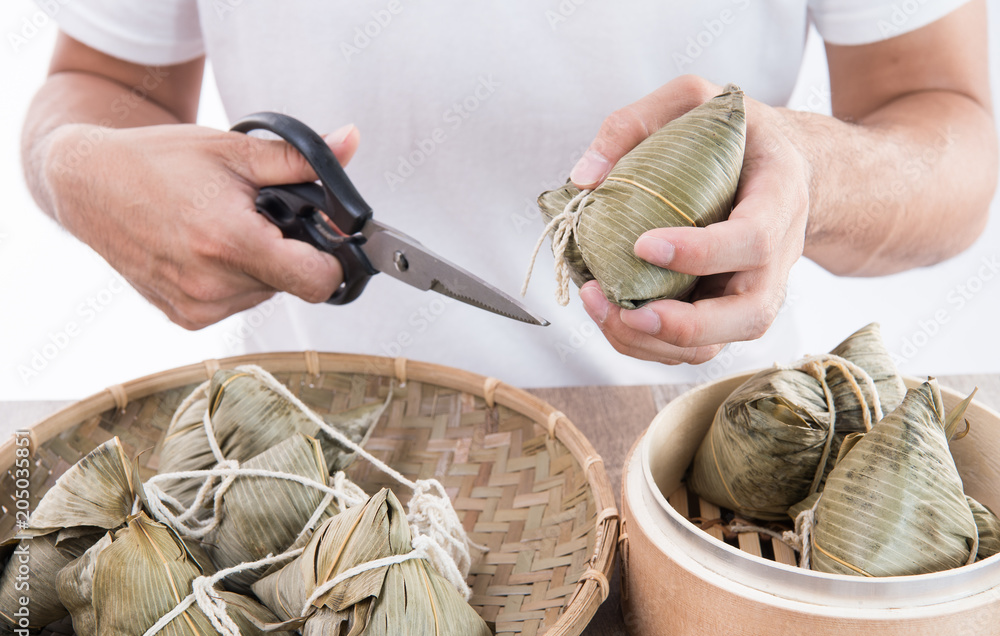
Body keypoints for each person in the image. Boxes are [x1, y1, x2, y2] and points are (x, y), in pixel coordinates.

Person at [22, 0, 996, 388]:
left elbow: (950, 136)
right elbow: (98, 89)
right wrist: (75, 169)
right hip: (304, 467)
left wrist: (811, 173)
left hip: (694, 489)